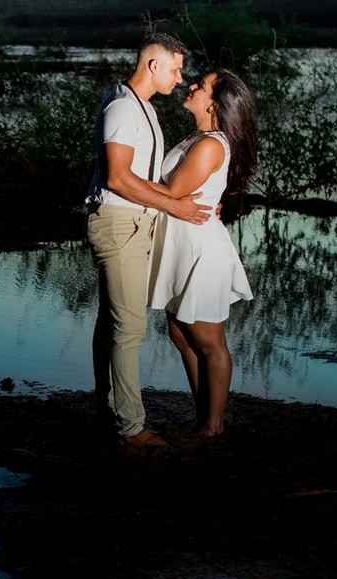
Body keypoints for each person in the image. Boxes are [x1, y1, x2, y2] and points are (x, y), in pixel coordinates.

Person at [86, 32, 211, 450]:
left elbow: (145, 178)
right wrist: (172, 208)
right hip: (120, 224)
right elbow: (118, 178)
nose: (180, 78)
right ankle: (131, 429)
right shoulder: (123, 107)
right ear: (153, 65)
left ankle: (109, 412)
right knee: (130, 327)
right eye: (175, 69)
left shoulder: (144, 109)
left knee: (112, 323)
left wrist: (185, 200)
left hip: (134, 222)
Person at [147, 69, 259, 438]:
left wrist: (119, 179)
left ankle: (213, 426)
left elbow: (174, 192)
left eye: (201, 84)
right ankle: (203, 417)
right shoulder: (201, 138)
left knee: (210, 342)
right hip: (182, 243)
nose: (192, 85)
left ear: (215, 102)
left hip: (201, 249)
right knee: (180, 333)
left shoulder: (212, 144)